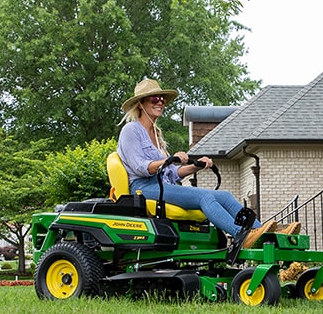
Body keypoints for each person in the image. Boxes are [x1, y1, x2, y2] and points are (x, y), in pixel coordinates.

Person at [116, 78, 298, 249]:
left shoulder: (157, 134)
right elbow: (141, 167)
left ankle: (266, 237)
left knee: (225, 195)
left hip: (162, 186)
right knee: (205, 198)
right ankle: (240, 236)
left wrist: (197, 165)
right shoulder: (131, 131)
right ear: (140, 104)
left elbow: (171, 174)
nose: (160, 102)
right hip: (143, 189)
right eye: (154, 98)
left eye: (162, 99)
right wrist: (168, 160)